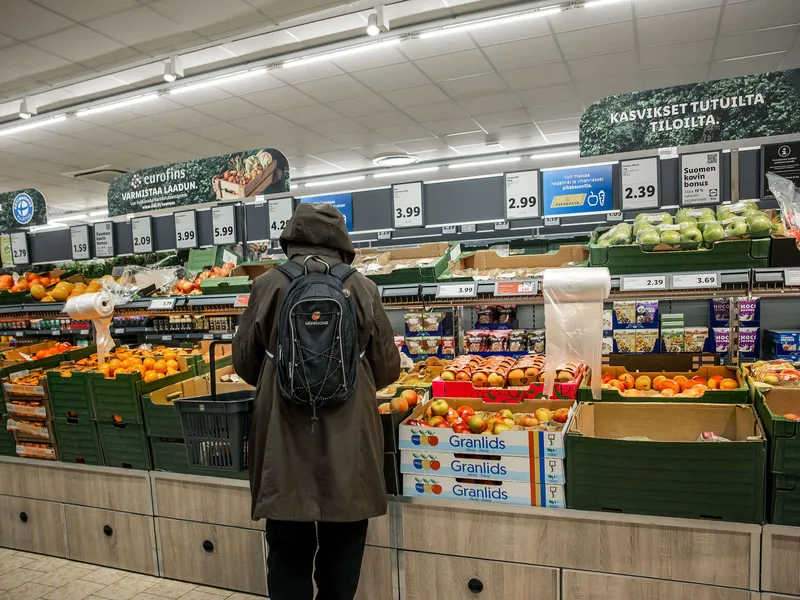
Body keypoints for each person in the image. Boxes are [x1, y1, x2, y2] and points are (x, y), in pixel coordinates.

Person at [233, 202, 401, 600]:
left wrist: (281, 379)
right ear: (343, 242)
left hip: (282, 437)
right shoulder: (362, 286)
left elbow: (244, 361)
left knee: (287, 549)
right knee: (343, 546)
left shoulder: (268, 284)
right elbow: (388, 368)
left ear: (291, 235)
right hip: (349, 438)